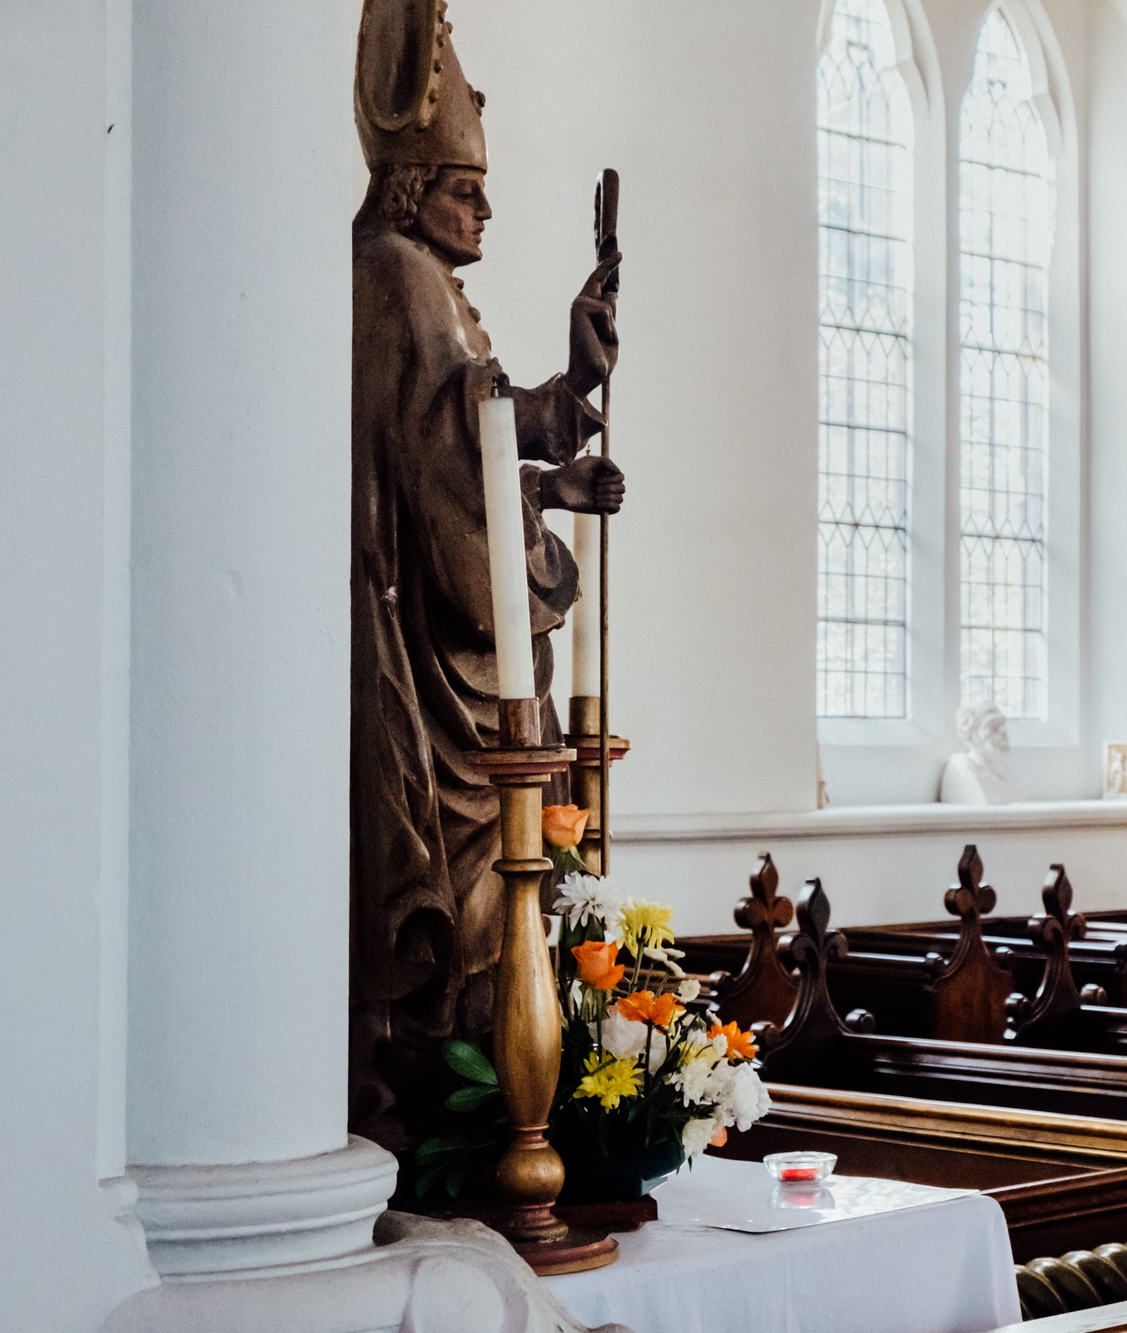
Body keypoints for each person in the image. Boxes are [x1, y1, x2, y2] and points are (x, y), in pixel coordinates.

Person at [349, 1, 625, 1150]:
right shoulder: (398, 279)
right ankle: (471, 1133)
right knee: (472, 926)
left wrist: (565, 395)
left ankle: (488, 1117)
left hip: (458, 674)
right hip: (437, 684)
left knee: (508, 910)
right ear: (413, 191)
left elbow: (467, 434)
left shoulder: (422, 284)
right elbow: (449, 509)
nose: (488, 208)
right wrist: (543, 523)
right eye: (467, 188)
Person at [940, 703, 1022, 805]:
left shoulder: (1004, 770)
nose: (1003, 732)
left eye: (1003, 725)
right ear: (971, 733)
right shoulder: (962, 767)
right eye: (993, 727)